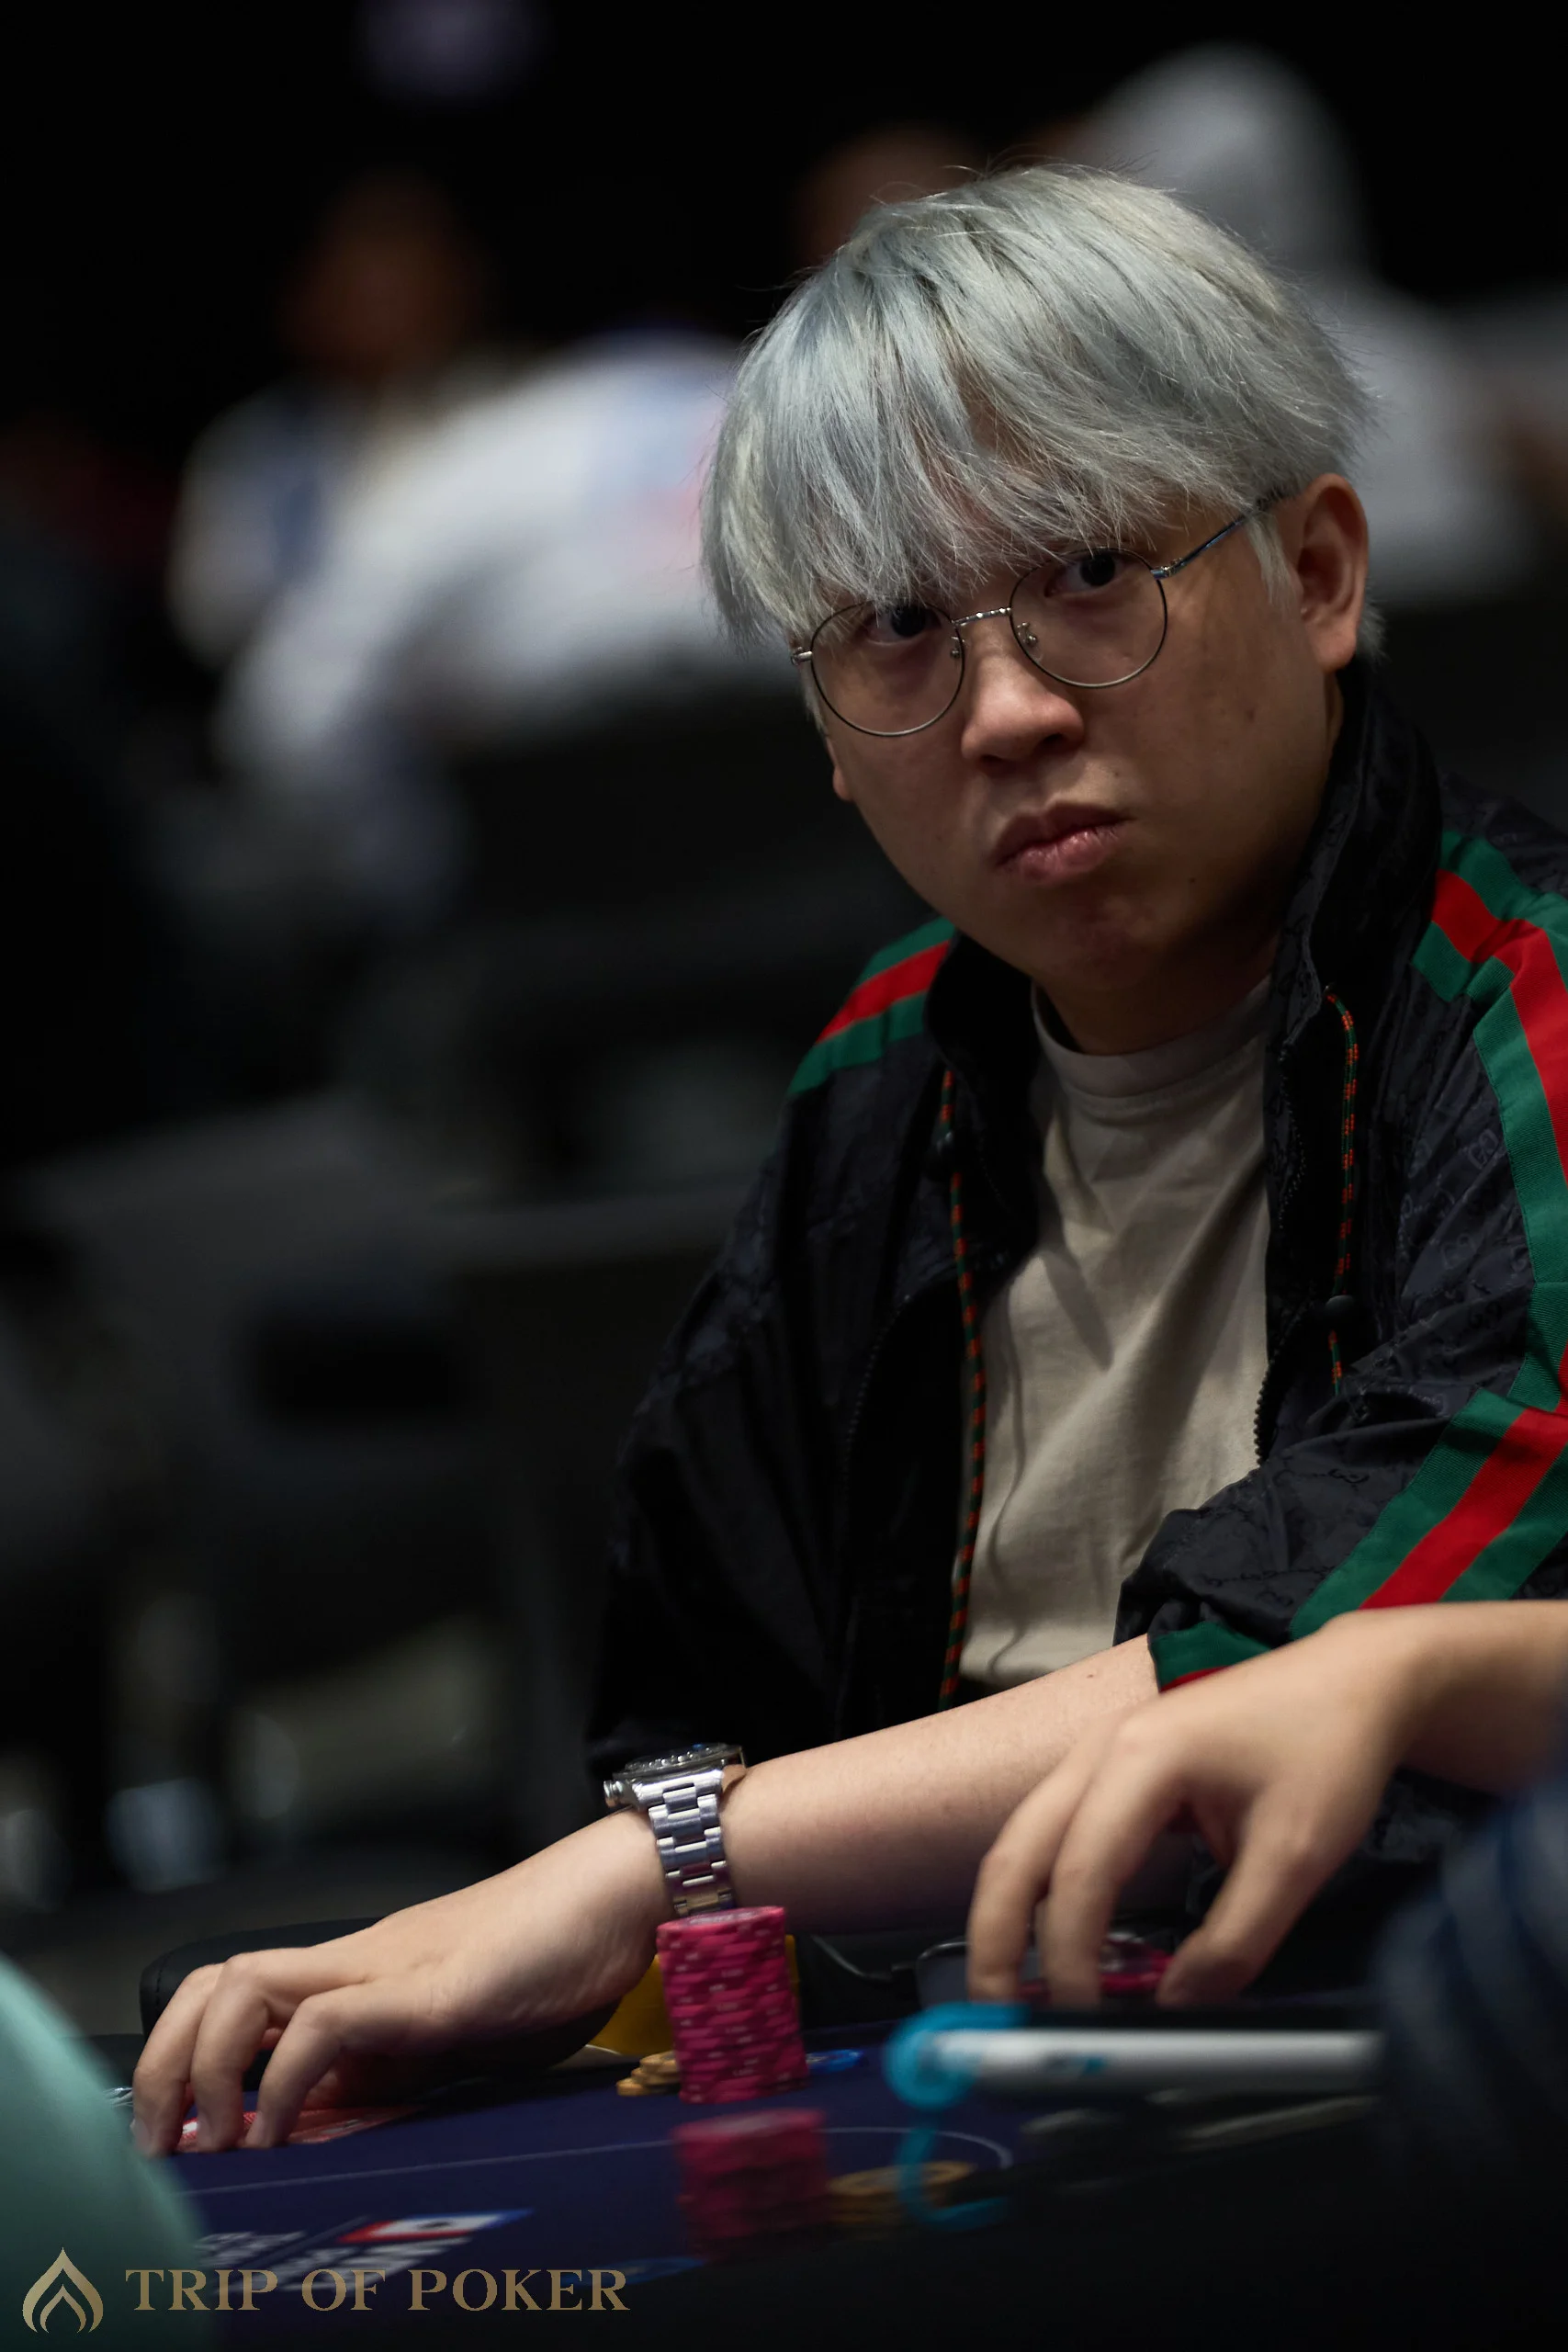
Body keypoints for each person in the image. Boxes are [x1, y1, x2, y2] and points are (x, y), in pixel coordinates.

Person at [134, 164, 1568, 2151]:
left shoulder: (1528, 997)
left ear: (1319, 573)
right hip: (965, 2123)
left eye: (1093, 573)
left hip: (1421, 2106)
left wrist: (651, 1868)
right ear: (820, 723)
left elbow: (1342, 1633)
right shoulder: (888, 1071)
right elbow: (705, 1700)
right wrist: (556, 1985)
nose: (1004, 710)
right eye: (895, 628)